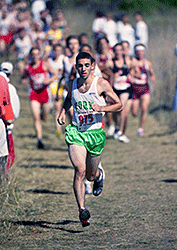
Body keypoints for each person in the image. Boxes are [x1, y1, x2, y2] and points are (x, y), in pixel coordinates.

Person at [57, 52, 123, 227]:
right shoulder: (71, 84)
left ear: (93, 66)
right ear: (76, 67)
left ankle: (99, 175)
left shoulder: (101, 84)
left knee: (90, 175)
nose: (83, 69)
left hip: (95, 133)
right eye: (80, 65)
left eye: (87, 65)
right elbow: (69, 99)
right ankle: (82, 209)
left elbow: (119, 104)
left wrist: (101, 107)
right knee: (79, 169)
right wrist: (63, 111)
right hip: (77, 132)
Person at [21, 47, 58, 149]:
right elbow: (23, 77)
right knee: (36, 117)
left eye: (37, 54)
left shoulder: (44, 64)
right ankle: (39, 139)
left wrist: (49, 80)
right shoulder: (27, 67)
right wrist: (24, 79)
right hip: (34, 94)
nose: (35, 56)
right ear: (31, 55)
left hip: (45, 93)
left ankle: (43, 114)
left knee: (44, 117)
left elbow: (56, 75)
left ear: (39, 55)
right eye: (33, 54)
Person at [106, 42, 140, 143]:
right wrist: (112, 76)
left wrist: (132, 77)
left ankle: (121, 132)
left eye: (120, 50)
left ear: (123, 51)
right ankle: (120, 130)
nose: (118, 52)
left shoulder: (129, 62)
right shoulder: (110, 63)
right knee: (120, 113)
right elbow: (104, 75)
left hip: (126, 89)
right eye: (116, 51)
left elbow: (137, 73)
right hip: (116, 89)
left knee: (124, 110)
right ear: (113, 52)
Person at [0, 62, 20, 180]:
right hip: (4, 124)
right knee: (4, 155)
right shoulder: (6, 84)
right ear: (11, 73)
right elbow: (9, 108)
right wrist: (9, 119)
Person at [132, 44, 156, 137]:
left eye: (142, 51)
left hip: (145, 88)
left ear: (144, 52)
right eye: (138, 52)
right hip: (135, 88)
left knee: (144, 108)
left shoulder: (148, 63)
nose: (140, 53)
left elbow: (151, 73)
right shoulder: (133, 62)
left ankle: (140, 129)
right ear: (135, 53)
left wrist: (153, 78)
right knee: (134, 113)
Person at [0, 70, 14, 185]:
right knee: (2, 153)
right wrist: (9, 118)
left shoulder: (2, 80)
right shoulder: (2, 80)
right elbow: (6, 102)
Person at [48, 43, 65, 138]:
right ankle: (58, 129)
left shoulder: (64, 59)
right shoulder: (50, 61)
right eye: (56, 50)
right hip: (54, 85)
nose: (57, 52)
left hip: (64, 84)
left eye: (59, 50)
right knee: (58, 107)